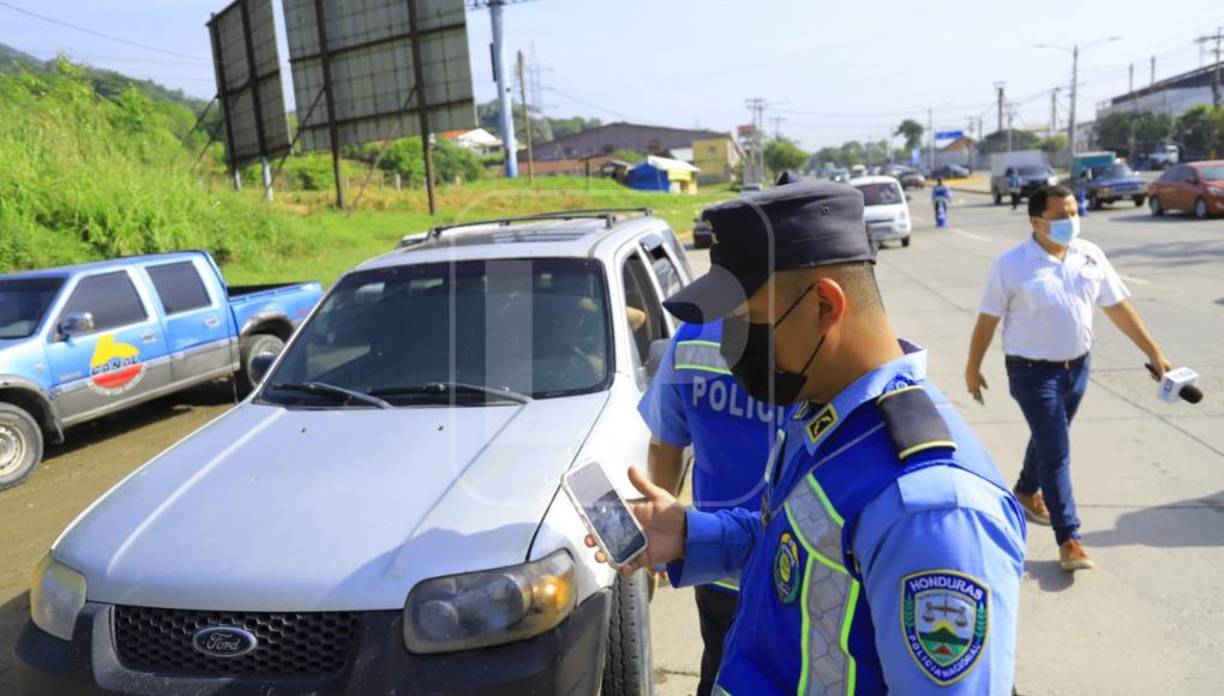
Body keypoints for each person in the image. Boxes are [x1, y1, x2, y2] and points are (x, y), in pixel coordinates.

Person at [589, 181, 1026, 694]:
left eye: (744, 322)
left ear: (824, 306)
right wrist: (693, 534)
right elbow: (804, 551)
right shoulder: (824, 415)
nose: (731, 348)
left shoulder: (931, 510)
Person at [964, 185, 1172, 571]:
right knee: (1056, 450)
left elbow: (1119, 309)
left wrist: (1154, 353)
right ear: (1035, 221)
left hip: (1078, 367)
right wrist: (972, 368)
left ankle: (1027, 490)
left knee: (1050, 436)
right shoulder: (1011, 265)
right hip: (1030, 372)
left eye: (1074, 212)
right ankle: (1069, 538)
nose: (1070, 221)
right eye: (1060, 216)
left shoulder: (1089, 254)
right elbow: (987, 320)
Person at [637, 314, 783, 696]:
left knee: (721, 671)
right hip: (792, 564)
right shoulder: (805, 336)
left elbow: (666, 444)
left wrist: (663, 529)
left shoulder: (689, 338)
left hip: (714, 558)